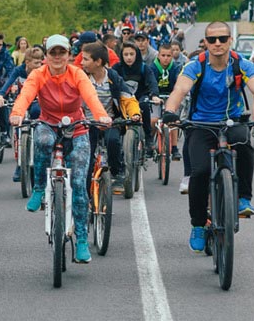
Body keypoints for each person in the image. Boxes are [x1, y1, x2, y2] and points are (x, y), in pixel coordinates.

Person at [162, 21, 254, 253]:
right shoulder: (197, 65)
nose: (218, 43)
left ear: (230, 41)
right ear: (206, 42)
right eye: (212, 39)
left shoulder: (241, 64)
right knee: (199, 172)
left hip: (232, 121)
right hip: (201, 124)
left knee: (245, 145)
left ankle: (243, 199)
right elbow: (180, 90)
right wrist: (169, 112)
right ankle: (198, 224)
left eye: (223, 39)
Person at [9, 34, 111, 265]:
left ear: (69, 55)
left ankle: (82, 240)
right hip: (48, 123)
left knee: (77, 183)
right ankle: (38, 189)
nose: (57, 57)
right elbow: (26, 95)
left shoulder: (77, 74)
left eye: (61, 52)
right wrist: (17, 113)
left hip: (76, 127)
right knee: (43, 141)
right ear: (46, 55)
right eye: (52, 53)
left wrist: (101, 116)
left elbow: (91, 97)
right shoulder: (38, 75)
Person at [80, 42, 140, 192]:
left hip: (110, 122)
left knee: (113, 141)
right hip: (86, 123)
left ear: (98, 62)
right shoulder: (81, 77)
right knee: (87, 153)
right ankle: (85, 190)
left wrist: (135, 114)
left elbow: (128, 97)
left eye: (86, 59)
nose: (82, 63)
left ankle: (117, 172)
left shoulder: (113, 77)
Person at [0, 44, 44, 182]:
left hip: (37, 102)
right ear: (27, 62)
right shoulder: (19, 70)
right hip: (22, 102)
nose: (39, 64)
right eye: (36, 62)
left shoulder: (43, 72)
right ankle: (20, 163)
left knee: (37, 115)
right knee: (18, 130)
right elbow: (9, 83)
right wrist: (1, 95)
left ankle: (37, 157)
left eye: (40, 62)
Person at [113, 41, 159, 162]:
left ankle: (148, 137)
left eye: (131, 54)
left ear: (137, 55)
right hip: (124, 101)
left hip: (140, 97)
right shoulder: (117, 68)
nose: (129, 57)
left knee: (144, 104)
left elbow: (152, 83)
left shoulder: (144, 68)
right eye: (126, 54)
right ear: (121, 56)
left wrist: (154, 95)